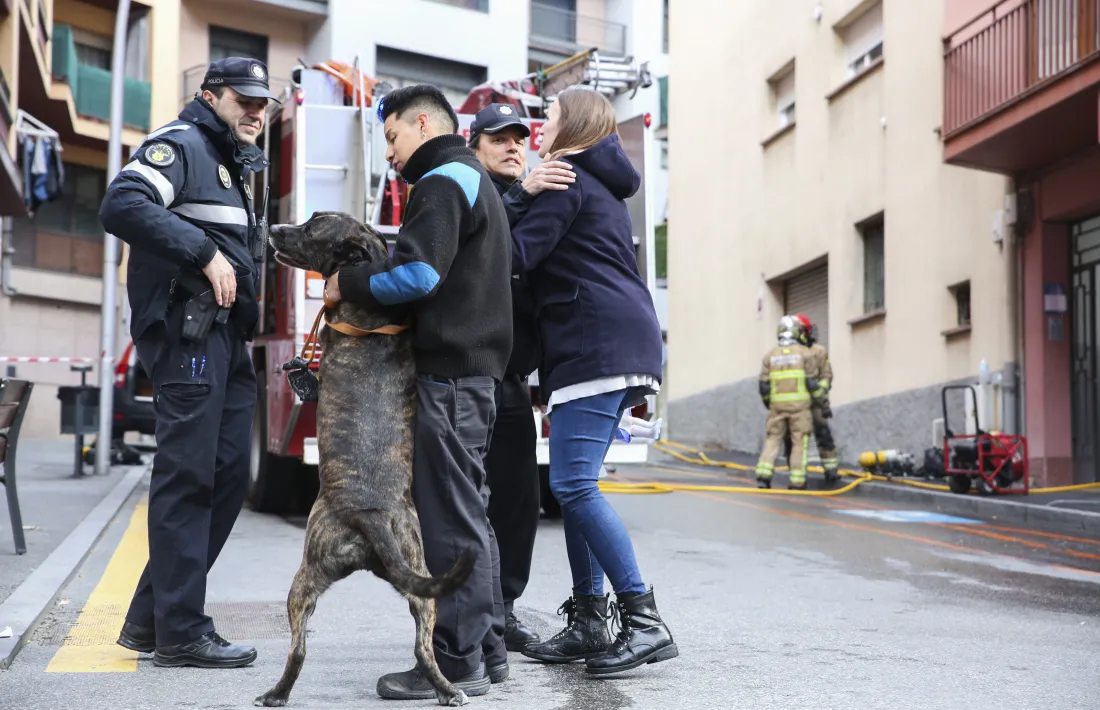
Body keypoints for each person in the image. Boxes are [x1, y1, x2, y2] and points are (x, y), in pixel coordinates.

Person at [323, 84, 513, 700]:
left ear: (423, 122)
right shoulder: (473, 178)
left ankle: (455, 661)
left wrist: (346, 282)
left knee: (450, 519)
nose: (391, 152)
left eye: (393, 136)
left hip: (452, 376)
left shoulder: (442, 180)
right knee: (471, 513)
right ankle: (487, 648)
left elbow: (418, 273)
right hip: (476, 375)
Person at [98, 57, 279, 668]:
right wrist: (204, 252)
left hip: (227, 341)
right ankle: (181, 631)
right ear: (209, 96)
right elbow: (122, 204)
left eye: (262, 102)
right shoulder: (182, 145)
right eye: (242, 99)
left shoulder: (229, 161)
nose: (255, 110)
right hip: (189, 336)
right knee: (188, 477)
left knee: (228, 474)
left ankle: (153, 619)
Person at [510, 87, 678, 676]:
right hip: (609, 340)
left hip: (595, 343)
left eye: (548, 118)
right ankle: (588, 618)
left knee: (574, 486)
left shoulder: (564, 179)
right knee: (574, 487)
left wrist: (512, 196)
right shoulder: (596, 182)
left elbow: (512, 256)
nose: (539, 130)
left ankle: (642, 619)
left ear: (574, 125)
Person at [467, 102, 577, 652]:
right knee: (463, 501)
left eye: (519, 138)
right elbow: (478, 243)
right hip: (465, 378)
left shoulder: (531, 199)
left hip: (511, 380)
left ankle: (503, 611)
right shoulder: (464, 187)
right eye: (498, 139)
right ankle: (461, 618)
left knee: (516, 499)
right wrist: (523, 193)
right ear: (474, 146)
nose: (513, 146)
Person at [755, 315, 824, 490]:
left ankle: (763, 476)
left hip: (777, 408)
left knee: (773, 439)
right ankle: (797, 481)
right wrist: (821, 400)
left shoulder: (770, 355)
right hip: (800, 408)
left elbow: (763, 386)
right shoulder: (805, 353)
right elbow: (812, 383)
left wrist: (769, 403)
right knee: (799, 441)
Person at [782, 314, 840, 484]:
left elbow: (826, 375)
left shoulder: (818, 352)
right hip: (794, 403)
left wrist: (819, 394)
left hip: (814, 403)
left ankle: (831, 470)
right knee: (791, 438)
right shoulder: (788, 352)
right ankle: (796, 473)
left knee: (823, 433)